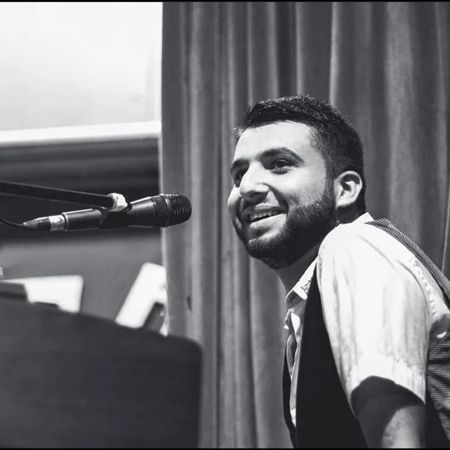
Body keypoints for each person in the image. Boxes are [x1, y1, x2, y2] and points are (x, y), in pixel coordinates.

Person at [227, 95, 450, 448]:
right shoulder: (307, 308)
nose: (247, 188)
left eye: (280, 164)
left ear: (345, 189)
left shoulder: (352, 245)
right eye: (239, 174)